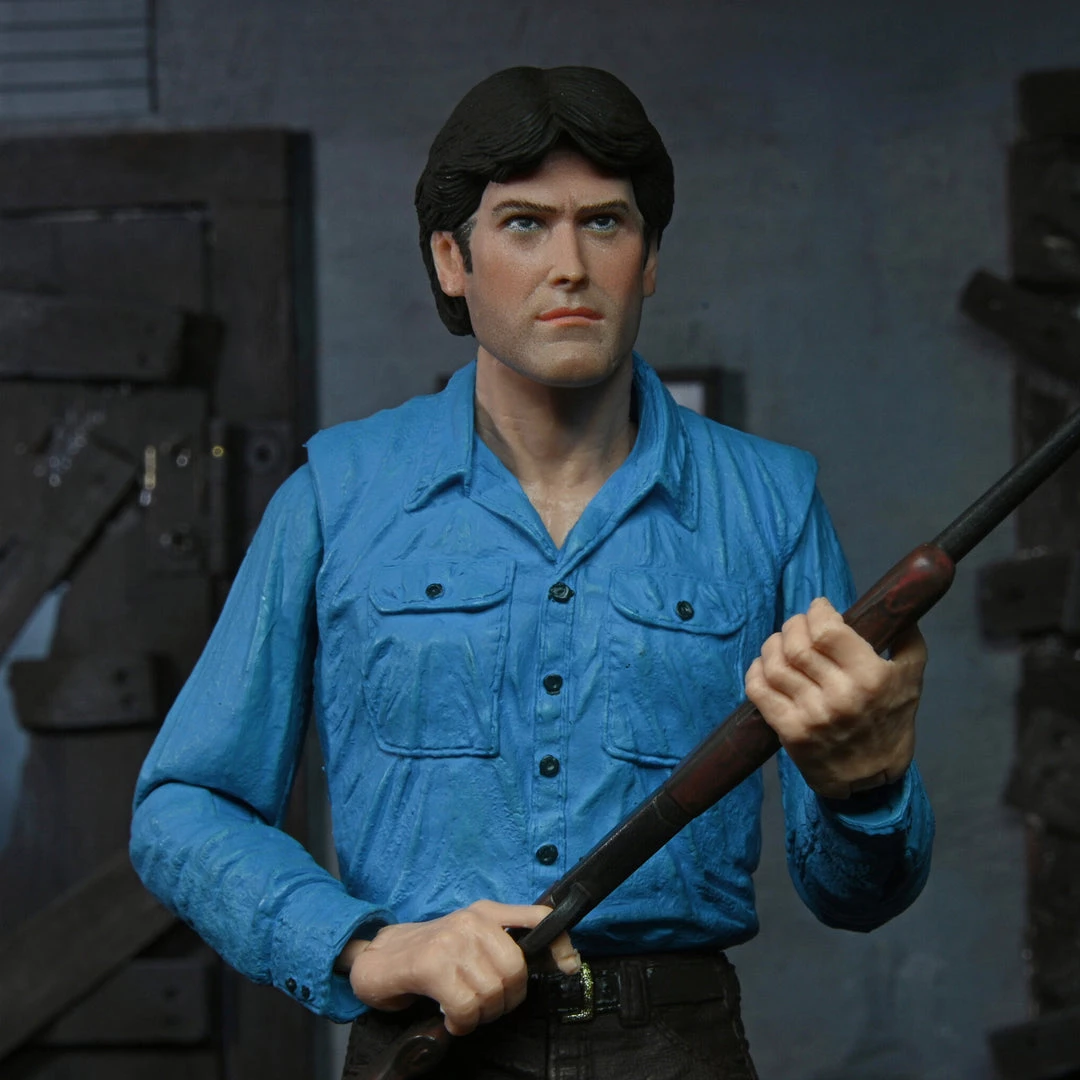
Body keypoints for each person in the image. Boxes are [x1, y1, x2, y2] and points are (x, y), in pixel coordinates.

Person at [130, 66, 933, 1079]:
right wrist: (364, 949)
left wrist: (867, 789)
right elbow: (183, 805)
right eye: (523, 224)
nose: (570, 266)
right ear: (451, 259)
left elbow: (856, 897)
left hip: (676, 1051)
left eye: (605, 223)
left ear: (650, 259)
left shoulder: (770, 504)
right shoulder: (338, 497)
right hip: (429, 1046)